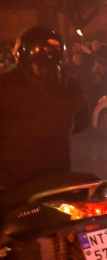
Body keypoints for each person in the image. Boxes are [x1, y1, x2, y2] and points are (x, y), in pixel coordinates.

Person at [0, 28, 89, 193]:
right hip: (57, 173)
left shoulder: (6, 83)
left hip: (13, 177)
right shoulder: (71, 84)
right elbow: (82, 122)